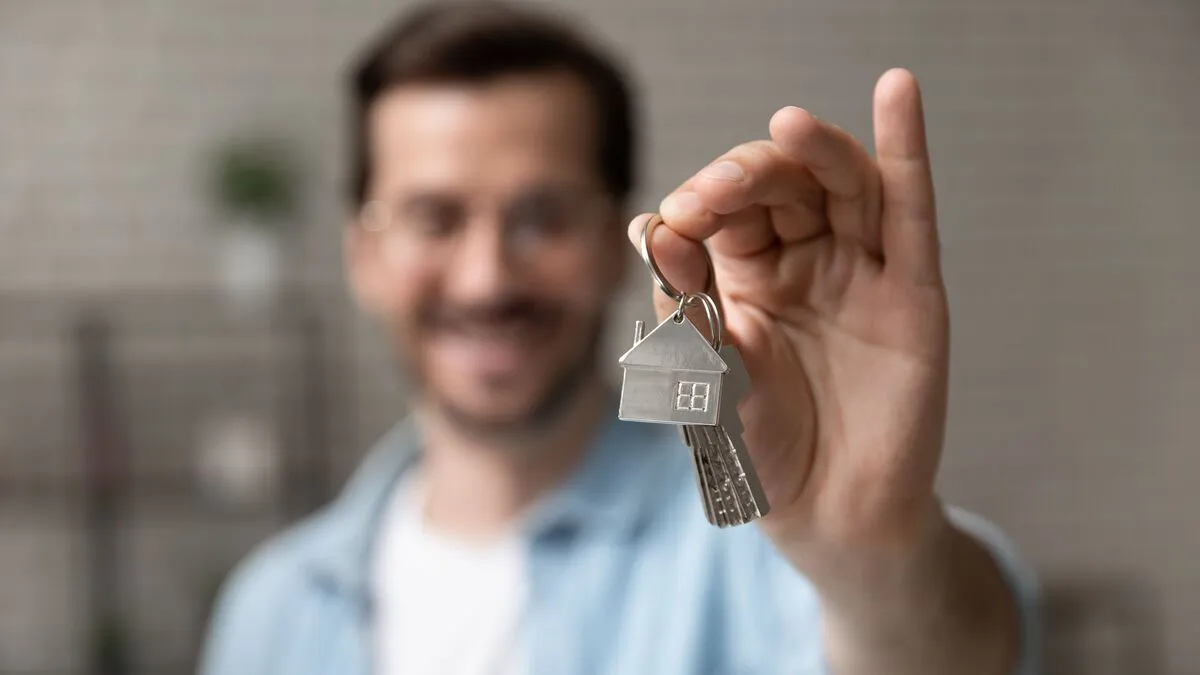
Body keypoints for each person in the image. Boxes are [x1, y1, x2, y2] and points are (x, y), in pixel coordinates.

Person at [199, 2, 1039, 674]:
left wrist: (873, 560)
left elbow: (953, 648)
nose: (487, 277)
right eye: (434, 218)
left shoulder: (762, 546)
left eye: (543, 216)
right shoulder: (271, 608)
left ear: (614, 242)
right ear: (363, 253)